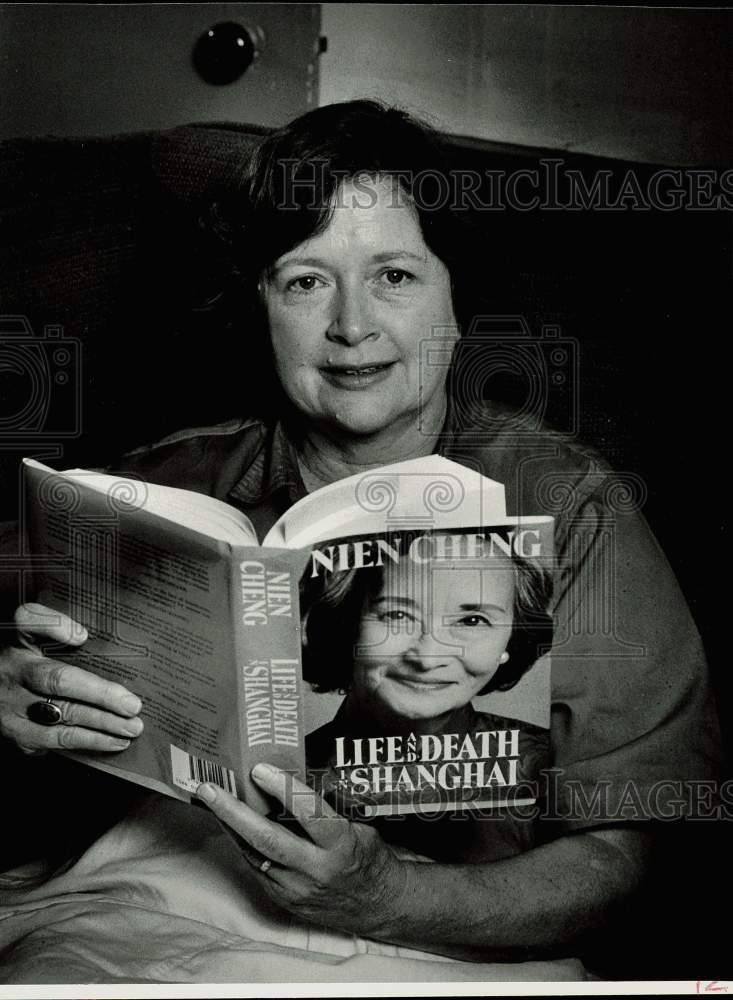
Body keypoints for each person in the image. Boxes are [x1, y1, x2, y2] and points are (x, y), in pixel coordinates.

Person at [0, 100, 720, 967]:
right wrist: (12, 703)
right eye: (305, 280)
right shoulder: (158, 490)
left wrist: (389, 898)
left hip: (443, 935)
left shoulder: (571, 506)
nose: (350, 327)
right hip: (154, 900)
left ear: (458, 300)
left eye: (395, 276)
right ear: (259, 304)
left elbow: (626, 856)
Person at [302, 533, 553, 862]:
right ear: (346, 623)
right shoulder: (287, 774)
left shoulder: (551, 768)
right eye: (397, 615)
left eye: (473, 620)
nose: (428, 658)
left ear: (511, 639)